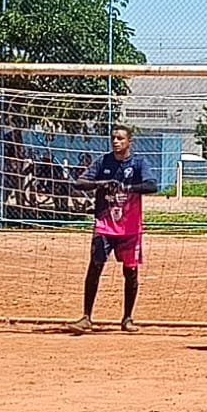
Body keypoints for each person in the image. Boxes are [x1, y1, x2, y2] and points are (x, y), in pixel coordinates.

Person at [66, 125, 158, 335]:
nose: (116, 141)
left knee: (130, 272)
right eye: (113, 138)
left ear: (129, 142)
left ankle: (127, 318)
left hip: (130, 228)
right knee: (95, 266)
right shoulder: (103, 162)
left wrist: (127, 188)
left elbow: (152, 186)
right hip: (104, 225)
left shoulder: (138, 163)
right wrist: (102, 183)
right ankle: (86, 317)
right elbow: (80, 183)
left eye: (120, 138)